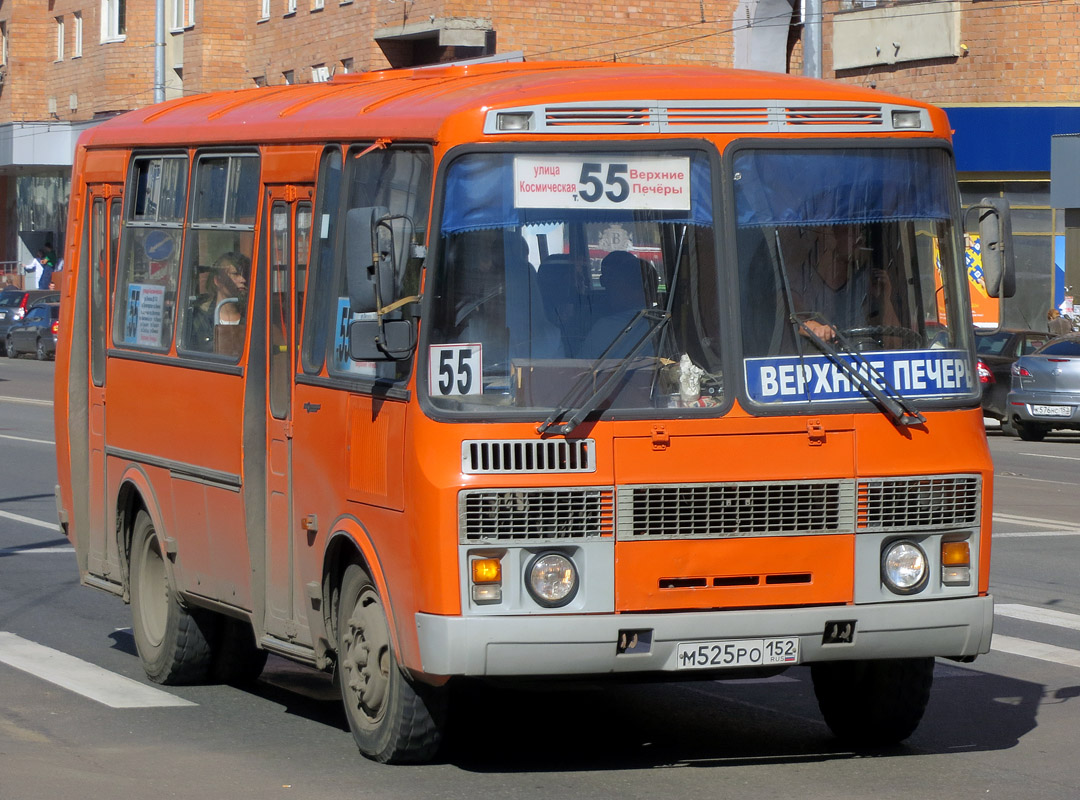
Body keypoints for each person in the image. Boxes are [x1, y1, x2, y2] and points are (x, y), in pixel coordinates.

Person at [578, 250, 655, 359]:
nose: (609, 291)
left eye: (613, 283)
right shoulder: (665, 322)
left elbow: (579, 369)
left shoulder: (604, 327)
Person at [188, 252, 249, 353]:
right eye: (235, 274)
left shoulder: (254, 316)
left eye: (245, 274)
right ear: (217, 280)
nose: (243, 280)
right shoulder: (198, 318)